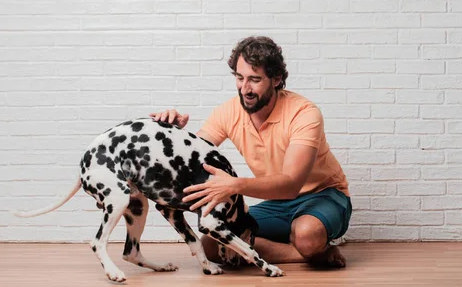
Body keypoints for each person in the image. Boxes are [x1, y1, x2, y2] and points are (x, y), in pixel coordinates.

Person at [150, 35, 352, 268]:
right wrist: (173, 133)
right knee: (212, 243)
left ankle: (307, 242)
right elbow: (193, 156)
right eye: (239, 77)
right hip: (278, 203)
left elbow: (291, 185)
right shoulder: (228, 112)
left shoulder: (304, 113)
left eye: (254, 80)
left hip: (324, 195)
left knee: (306, 234)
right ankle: (311, 253)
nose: (245, 88)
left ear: (276, 79)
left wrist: (235, 185)